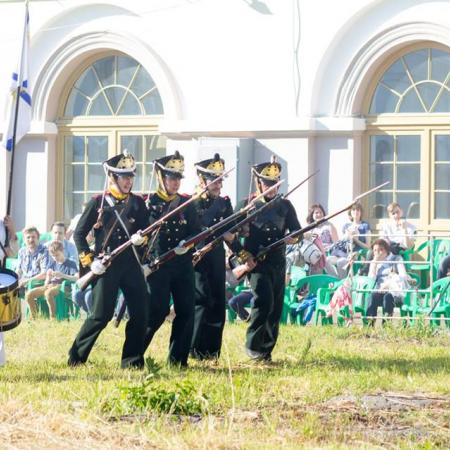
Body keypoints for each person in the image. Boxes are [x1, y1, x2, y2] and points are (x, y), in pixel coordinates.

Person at [68, 152, 149, 368]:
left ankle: (132, 361)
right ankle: (76, 356)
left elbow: (147, 230)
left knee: (141, 312)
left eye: (131, 176)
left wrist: (142, 239)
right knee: (100, 316)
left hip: (131, 262)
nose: (129, 181)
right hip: (106, 265)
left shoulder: (138, 203)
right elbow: (79, 234)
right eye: (124, 177)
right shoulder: (98, 202)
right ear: (112, 177)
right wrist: (89, 260)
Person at [233, 156, 301, 361]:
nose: (271, 188)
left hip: (278, 261)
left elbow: (298, 231)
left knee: (276, 307)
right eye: (267, 183)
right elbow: (229, 234)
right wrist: (244, 256)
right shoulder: (246, 205)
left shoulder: (285, 206)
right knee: (264, 301)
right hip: (256, 263)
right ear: (259, 183)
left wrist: (293, 238)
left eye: (275, 183)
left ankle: (266, 350)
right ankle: (253, 345)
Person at [143, 151, 201, 367]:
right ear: (161, 177)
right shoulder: (148, 204)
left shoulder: (187, 203)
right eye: (171, 177)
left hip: (182, 265)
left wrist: (187, 244)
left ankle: (178, 360)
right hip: (158, 266)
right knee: (157, 311)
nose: (175, 182)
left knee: (186, 310)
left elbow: (197, 231)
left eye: (178, 178)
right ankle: (134, 354)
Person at [190, 153, 235, 360]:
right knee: (201, 301)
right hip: (197, 257)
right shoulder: (191, 204)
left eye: (220, 180)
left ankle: (211, 351)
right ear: (202, 181)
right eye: (214, 180)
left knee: (217, 301)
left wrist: (241, 251)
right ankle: (194, 348)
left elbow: (231, 233)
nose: (218, 185)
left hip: (216, 255)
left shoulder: (225, 204)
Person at [25, 240, 78, 319]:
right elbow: (47, 282)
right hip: (51, 285)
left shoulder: (70, 263)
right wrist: (48, 277)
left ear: (62, 251)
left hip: (63, 287)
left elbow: (76, 278)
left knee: (48, 293)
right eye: (53, 256)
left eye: (57, 255)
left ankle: (53, 318)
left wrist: (62, 275)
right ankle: (34, 316)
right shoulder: (53, 263)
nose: (55, 258)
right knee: (29, 294)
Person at [366, 238, 408, 326]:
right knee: (372, 296)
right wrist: (375, 264)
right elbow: (371, 279)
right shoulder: (374, 262)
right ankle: (370, 324)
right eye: (375, 250)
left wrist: (389, 281)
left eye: (381, 250)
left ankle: (386, 324)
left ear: (386, 250)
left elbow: (403, 275)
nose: (378, 253)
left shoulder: (396, 258)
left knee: (387, 298)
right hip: (379, 289)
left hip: (393, 290)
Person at [16, 226, 50, 291]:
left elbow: (44, 274)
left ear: (38, 238)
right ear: (24, 239)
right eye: (28, 237)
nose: (31, 240)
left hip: (38, 283)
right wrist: (16, 279)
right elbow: (19, 270)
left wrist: (27, 281)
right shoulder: (21, 251)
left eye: (33, 237)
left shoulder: (44, 251)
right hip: (23, 282)